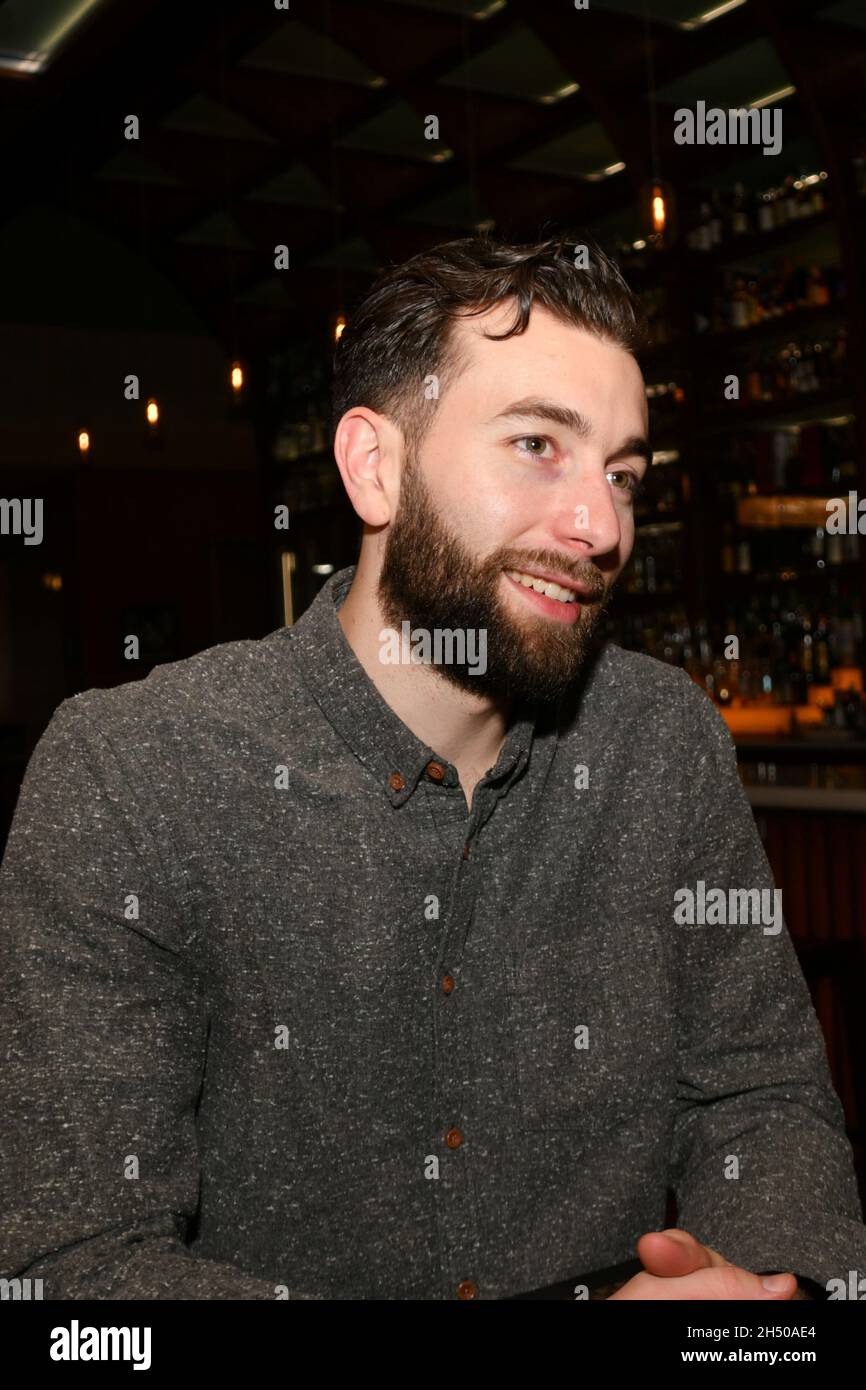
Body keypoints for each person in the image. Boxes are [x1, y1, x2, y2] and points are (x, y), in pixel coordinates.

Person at [2, 232, 864, 1300]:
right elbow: (72, 1272)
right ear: (376, 466)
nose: (598, 524)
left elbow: (761, 1094)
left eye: (622, 474)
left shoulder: (662, 743)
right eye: (537, 445)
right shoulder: (131, 775)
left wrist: (760, 1294)